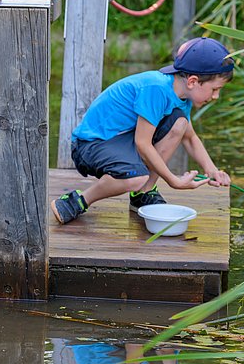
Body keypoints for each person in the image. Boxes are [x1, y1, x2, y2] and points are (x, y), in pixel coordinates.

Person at [51, 37, 234, 224]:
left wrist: (212, 170)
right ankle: (78, 201)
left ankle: (142, 194)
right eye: (215, 89)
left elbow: (190, 138)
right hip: (90, 146)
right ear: (193, 81)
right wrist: (174, 181)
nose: (216, 96)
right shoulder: (157, 88)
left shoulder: (182, 95)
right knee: (136, 177)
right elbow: (142, 143)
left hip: (120, 141)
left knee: (180, 124)